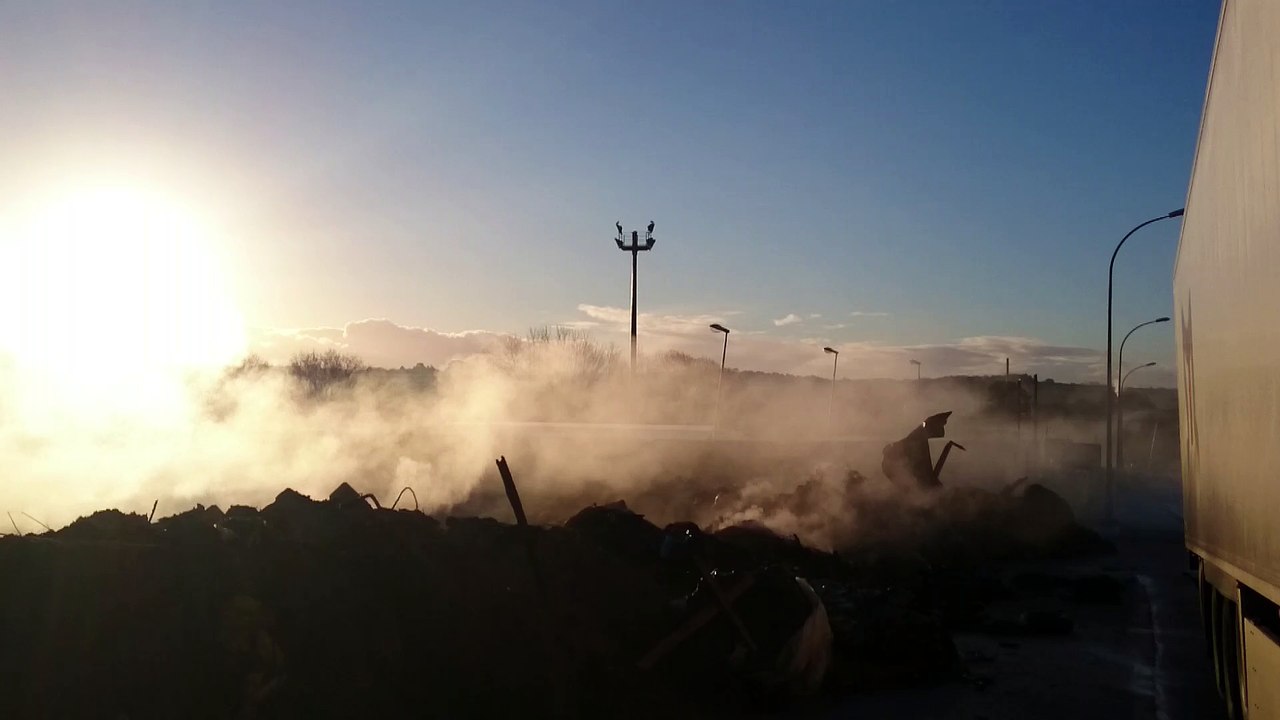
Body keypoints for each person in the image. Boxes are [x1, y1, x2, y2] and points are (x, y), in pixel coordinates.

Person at [882, 411, 953, 490]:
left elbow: (925, 469)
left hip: (894, 465)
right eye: (940, 427)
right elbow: (921, 468)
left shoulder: (920, 437)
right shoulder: (917, 441)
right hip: (893, 466)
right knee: (912, 490)